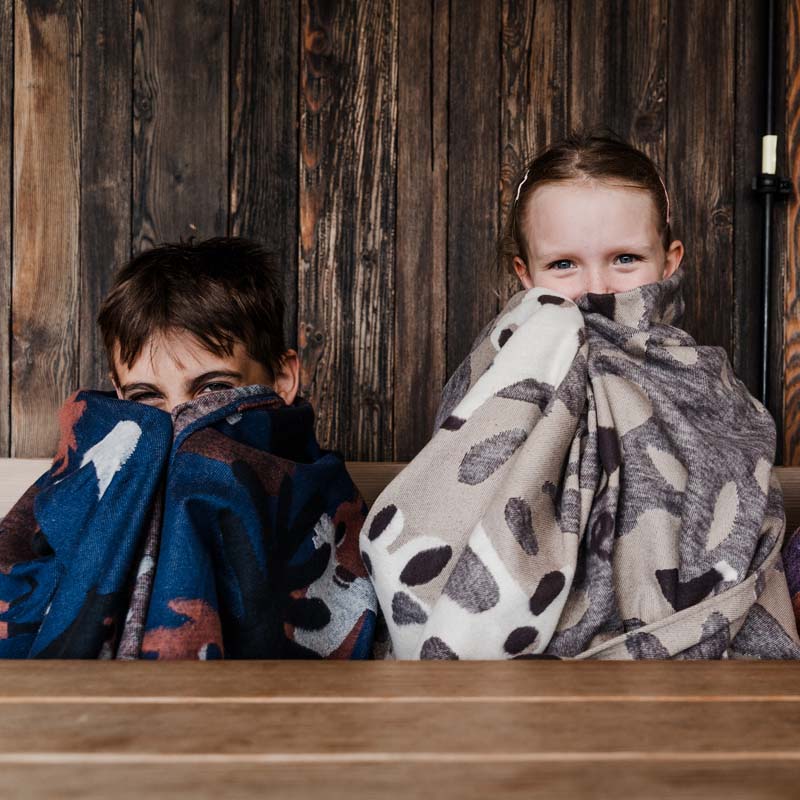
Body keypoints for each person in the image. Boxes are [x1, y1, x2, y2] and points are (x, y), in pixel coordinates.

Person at [362, 131, 800, 661]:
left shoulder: (703, 381)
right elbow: (460, 484)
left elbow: (741, 490)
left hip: (684, 630)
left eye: (625, 259)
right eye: (564, 264)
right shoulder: (509, 367)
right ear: (526, 273)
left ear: (669, 261)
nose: (597, 286)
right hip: (533, 638)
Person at [0, 237, 376, 659]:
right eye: (146, 398)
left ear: (283, 378)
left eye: (214, 390)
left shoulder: (323, 495)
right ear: (118, 394)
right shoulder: (76, 484)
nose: (182, 422)